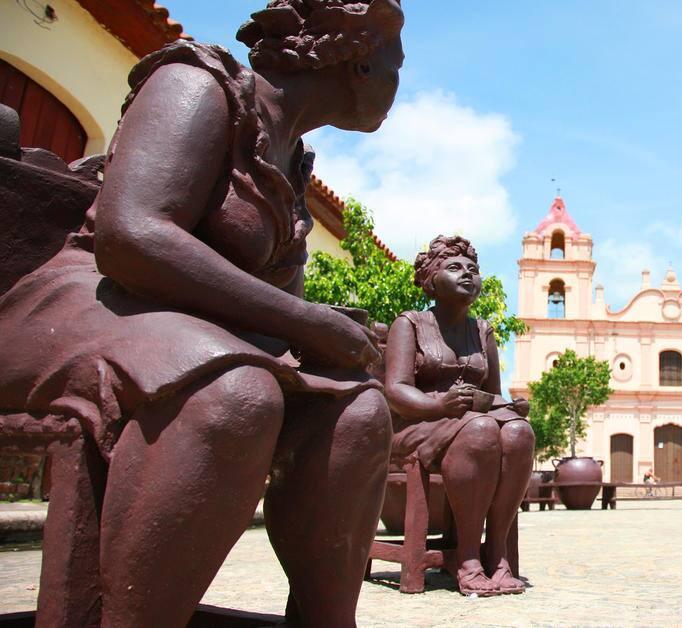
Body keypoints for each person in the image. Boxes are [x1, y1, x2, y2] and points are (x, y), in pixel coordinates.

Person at [0, 2, 405, 625]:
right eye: (395, 64)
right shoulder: (198, 83)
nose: (396, 85)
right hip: (87, 305)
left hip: (195, 334)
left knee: (358, 409)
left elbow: (279, 309)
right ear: (357, 58)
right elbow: (131, 236)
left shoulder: (292, 161)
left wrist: (328, 329)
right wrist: (305, 322)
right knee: (236, 395)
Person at [383, 235, 535, 597]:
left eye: (473, 269)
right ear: (431, 279)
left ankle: (495, 553)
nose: (467, 274)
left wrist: (512, 410)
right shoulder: (410, 324)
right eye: (454, 268)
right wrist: (439, 405)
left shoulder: (483, 332)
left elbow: (494, 393)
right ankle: (467, 556)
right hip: (418, 424)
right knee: (481, 429)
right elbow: (396, 389)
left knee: (519, 433)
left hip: (470, 422)